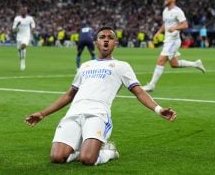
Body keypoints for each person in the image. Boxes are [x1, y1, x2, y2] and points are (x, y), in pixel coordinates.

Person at [25, 27, 177, 166]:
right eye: (102, 37)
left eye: (110, 37)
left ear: (115, 43)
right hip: (74, 113)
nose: (106, 39)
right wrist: (43, 114)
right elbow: (69, 95)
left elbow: (139, 92)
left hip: (98, 115)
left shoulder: (121, 66)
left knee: (88, 160)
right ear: (96, 43)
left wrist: (158, 109)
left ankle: (109, 151)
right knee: (57, 158)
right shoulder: (85, 66)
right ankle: (81, 147)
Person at [142, 0, 206, 92]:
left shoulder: (178, 11)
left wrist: (175, 28)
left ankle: (151, 85)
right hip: (168, 40)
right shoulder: (165, 11)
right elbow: (165, 24)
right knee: (174, 64)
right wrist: (159, 32)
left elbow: (185, 25)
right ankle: (196, 64)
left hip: (173, 41)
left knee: (160, 60)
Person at [12, 5, 35, 71]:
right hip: (19, 36)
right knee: (20, 50)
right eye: (22, 10)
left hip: (26, 35)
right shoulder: (17, 19)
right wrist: (17, 25)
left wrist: (32, 32)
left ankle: (23, 61)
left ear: (26, 11)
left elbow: (33, 26)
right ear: (20, 11)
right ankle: (21, 58)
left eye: (24, 10)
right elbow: (13, 30)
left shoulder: (30, 18)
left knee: (23, 46)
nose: (23, 11)